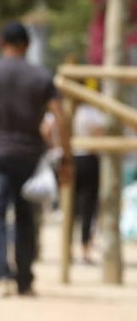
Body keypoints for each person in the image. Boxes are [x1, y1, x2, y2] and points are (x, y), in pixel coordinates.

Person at [0, 22, 72, 297]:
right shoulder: (41, 77)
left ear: (2, 43)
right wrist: (66, 158)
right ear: (28, 45)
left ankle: (1, 273)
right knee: (26, 217)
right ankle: (25, 278)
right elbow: (60, 117)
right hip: (29, 155)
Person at [71, 82, 107, 264]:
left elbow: (48, 128)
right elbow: (99, 134)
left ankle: (67, 250)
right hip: (88, 159)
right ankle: (84, 250)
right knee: (87, 207)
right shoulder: (91, 112)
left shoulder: (68, 109)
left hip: (69, 157)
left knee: (69, 207)